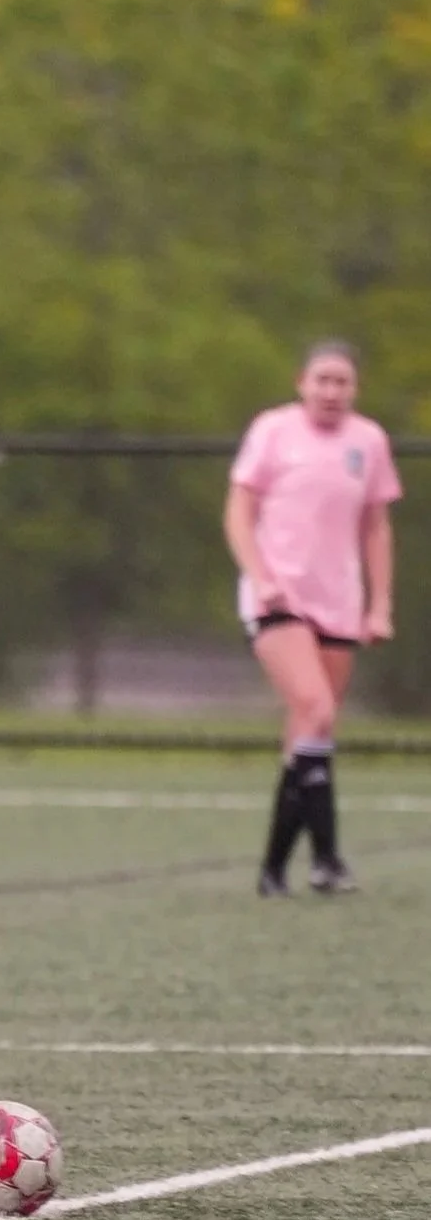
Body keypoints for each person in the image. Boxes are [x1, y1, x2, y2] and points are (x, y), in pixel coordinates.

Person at [224, 340, 402, 897]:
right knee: (315, 705)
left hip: (339, 601)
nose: (331, 391)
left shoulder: (368, 441)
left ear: (355, 389)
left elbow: (375, 526)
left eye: (342, 382)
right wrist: (261, 575)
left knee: (310, 729)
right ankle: (327, 857)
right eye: (321, 379)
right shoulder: (273, 430)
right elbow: (239, 509)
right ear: (301, 381)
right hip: (280, 599)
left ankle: (274, 870)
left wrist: (379, 604)